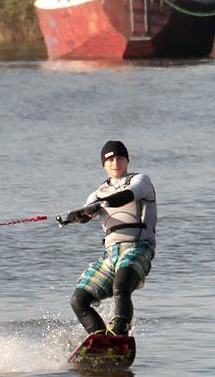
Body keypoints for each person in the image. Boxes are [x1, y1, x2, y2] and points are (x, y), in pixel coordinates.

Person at [58, 141, 157, 337]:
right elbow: (85, 215)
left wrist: (103, 203)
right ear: (104, 164)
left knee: (120, 286)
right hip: (111, 255)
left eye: (120, 158)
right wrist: (71, 218)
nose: (115, 162)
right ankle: (100, 339)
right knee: (78, 300)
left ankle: (120, 332)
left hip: (138, 248)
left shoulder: (141, 181)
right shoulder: (97, 193)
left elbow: (127, 196)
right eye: (110, 159)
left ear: (127, 160)